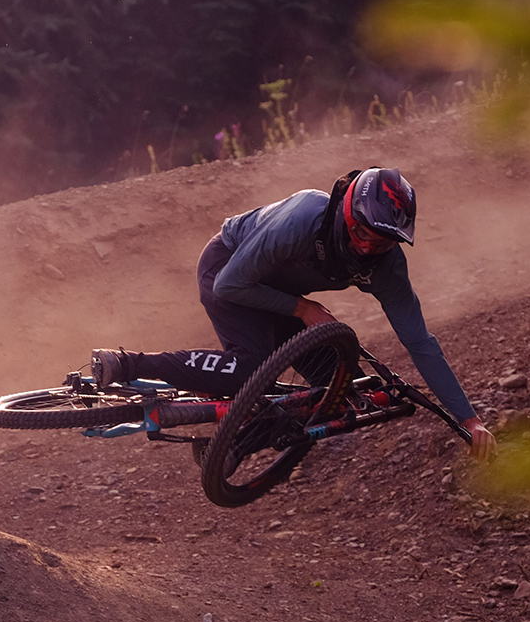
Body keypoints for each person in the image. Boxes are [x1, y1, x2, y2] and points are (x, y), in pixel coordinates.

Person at [91, 167, 496, 460]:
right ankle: (128, 363)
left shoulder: (386, 266)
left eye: (384, 242)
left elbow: (419, 342)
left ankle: (230, 448)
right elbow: (230, 285)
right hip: (229, 270)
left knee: (340, 387)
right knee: (249, 367)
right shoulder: (303, 220)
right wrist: (302, 308)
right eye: (361, 234)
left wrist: (470, 419)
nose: (369, 249)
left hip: (278, 292)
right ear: (346, 214)